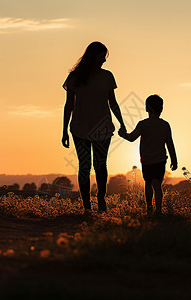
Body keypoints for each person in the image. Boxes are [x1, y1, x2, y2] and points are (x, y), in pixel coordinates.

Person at [62, 41, 126, 213]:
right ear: (93, 56)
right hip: (79, 128)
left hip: (103, 129)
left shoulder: (107, 77)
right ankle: (86, 206)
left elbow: (113, 103)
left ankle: (101, 199)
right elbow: (68, 105)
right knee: (84, 166)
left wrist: (122, 122)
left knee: (100, 165)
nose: (104, 60)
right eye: (101, 57)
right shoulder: (74, 78)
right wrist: (64, 130)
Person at [118, 94, 177, 215]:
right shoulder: (165, 125)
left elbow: (131, 138)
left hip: (146, 161)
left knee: (148, 184)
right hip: (160, 160)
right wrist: (174, 160)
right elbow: (170, 144)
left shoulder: (143, 124)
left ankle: (149, 208)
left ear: (147, 108)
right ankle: (159, 210)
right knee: (157, 185)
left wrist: (123, 134)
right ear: (161, 108)